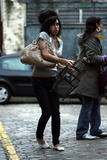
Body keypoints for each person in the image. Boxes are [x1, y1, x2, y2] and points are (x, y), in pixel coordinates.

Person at [32, 9, 74, 151]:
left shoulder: (60, 41)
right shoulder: (43, 36)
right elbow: (45, 55)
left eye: (58, 24)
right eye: (53, 24)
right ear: (47, 26)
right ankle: (39, 136)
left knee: (56, 112)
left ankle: (56, 142)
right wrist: (62, 59)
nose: (56, 27)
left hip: (52, 80)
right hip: (39, 80)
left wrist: (65, 66)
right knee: (47, 111)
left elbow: (56, 64)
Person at [72, 17, 107, 140]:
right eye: (101, 24)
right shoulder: (91, 39)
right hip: (88, 77)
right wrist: (104, 59)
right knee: (87, 104)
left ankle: (95, 129)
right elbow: (91, 57)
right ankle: (81, 132)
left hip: (94, 77)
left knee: (96, 103)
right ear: (97, 25)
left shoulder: (91, 38)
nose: (102, 26)